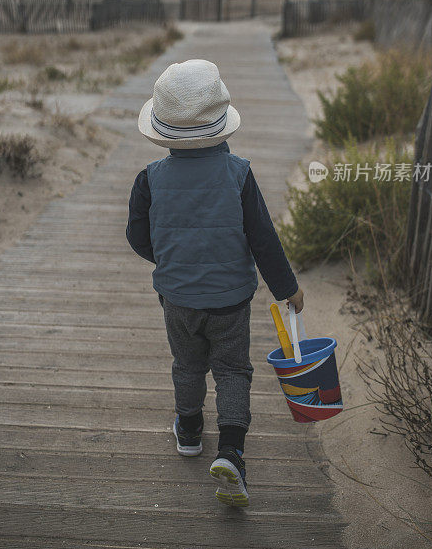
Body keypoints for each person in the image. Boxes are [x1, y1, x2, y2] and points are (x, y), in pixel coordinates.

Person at [126, 58, 304, 507]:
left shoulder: (149, 179)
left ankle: (188, 431)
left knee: (187, 364)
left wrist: (167, 261)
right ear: (222, 126)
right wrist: (288, 290)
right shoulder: (239, 174)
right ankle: (232, 454)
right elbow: (263, 239)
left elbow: (138, 237)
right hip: (230, 301)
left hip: (177, 298)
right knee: (231, 369)